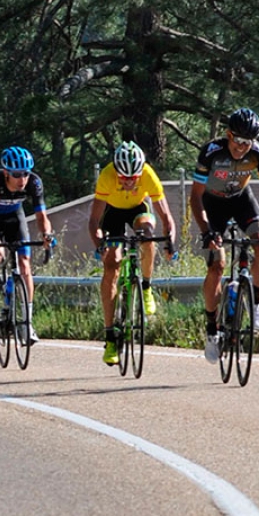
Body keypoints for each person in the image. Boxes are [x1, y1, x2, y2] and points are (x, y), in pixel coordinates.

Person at [190, 107, 259, 363]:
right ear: (228, 134)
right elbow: (195, 196)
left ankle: (256, 304)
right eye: (238, 140)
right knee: (217, 265)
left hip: (241, 200)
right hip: (213, 205)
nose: (242, 147)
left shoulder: (258, 154)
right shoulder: (212, 152)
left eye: (248, 142)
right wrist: (206, 232)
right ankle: (212, 329)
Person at [88, 141, 176, 366]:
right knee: (112, 264)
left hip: (138, 209)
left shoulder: (148, 174)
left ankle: (146, 287)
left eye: (133, 178)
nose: (128, 182)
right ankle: (109, 337)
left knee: (147, 234)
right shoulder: (107, 176)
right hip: (112, 213)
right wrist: (100, 244)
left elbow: (166, 218)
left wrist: (170, 242)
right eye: (123, 178)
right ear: (116, 172)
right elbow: (94, 221)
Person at [0, 146, 54, 344]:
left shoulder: (34, 182)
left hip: (14, 217)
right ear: (6, 173)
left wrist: (47, 235)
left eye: (25, 174)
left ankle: (27, 322)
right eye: (17, 175)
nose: (22, 179)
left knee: (25, 264)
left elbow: (41, 216)